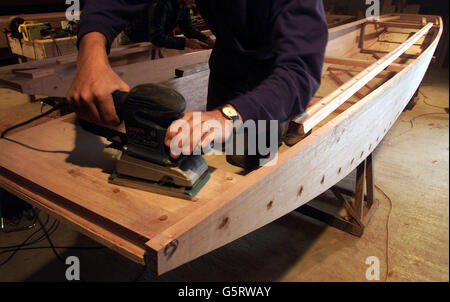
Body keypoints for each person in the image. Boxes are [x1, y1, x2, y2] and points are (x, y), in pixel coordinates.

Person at [67, 0, 328, 168]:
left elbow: (300, 72)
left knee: (255, 157)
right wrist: (91, 55)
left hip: (272, 70)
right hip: (228, 60)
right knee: (215, 148)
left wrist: (229, 115)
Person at [123, 0, 214, 50]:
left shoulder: (184, 5)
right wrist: (186, 42)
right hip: (134, 42)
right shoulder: (161, 3)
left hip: (151, 43)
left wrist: (207, 39)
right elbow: (156, 37)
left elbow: (188, 29)